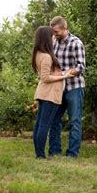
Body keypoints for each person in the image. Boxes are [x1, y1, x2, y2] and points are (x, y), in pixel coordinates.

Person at [31, 26, 74, 159]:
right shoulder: (46, 56)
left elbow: (48, 73)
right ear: (47, 39)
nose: (54, 38)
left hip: (43, 93)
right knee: (43, 125)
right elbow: (45, 77)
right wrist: (64, 77)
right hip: (49, 94)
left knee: (39, 124)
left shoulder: (39, 54)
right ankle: (40, 155)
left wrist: (63, 73)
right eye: (52, 37)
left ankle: (39, 153)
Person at [48, 16, 86, 158]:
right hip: (58, 87)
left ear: (65, 28)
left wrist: (64, 74)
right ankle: (54, 151)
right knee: (54, 119)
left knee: (75, 120)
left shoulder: (76, 43)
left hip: (74, 87)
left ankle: (72, 153)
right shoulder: (54, 42)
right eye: (53, 32)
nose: (54, 34)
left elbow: (81, 67)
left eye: (56, 31)